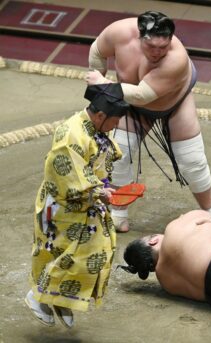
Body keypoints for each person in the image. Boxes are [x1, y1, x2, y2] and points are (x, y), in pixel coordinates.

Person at [86, 11, 211, 233]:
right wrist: (98, 82)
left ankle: (210, 212)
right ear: (139, 37)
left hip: (174, 102)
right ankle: (118, 213)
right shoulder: (119, 32)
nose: (157, 53)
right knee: (119, 153)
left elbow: (142, 95)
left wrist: (103, 84)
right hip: (131, 105)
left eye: (163, 47)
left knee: (192, 161)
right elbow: (97, 50)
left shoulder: (177, 58)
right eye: (151, 47)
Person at [25, 84, 130, 328]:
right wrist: (97, 191)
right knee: (72, 254)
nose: (116, 127)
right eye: (114, 122)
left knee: (95, 251)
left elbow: (99, 163)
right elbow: (67, 175)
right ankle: (38, 296)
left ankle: (62, 300)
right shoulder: (71, 134)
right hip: (63, 205)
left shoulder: (95, 128)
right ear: (101, 115)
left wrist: (104, 186)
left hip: (85, 203)